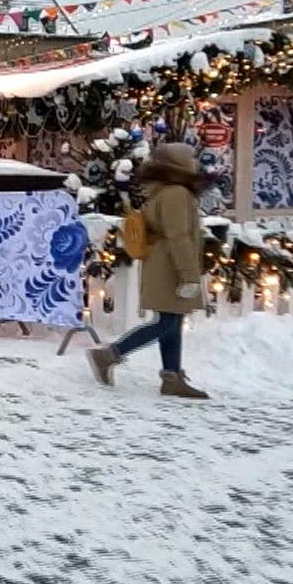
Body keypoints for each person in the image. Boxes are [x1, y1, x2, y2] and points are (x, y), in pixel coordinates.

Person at [88, 141, 212, 399]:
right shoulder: (177, 193)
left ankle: (172, 376)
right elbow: (178, 236)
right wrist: (188, 275)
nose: (195, 163)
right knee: (166, 323)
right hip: (170, 266)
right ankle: (109, 355)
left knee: (172, 320)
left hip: (163, 262)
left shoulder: (165, 190)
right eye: (190, 158)